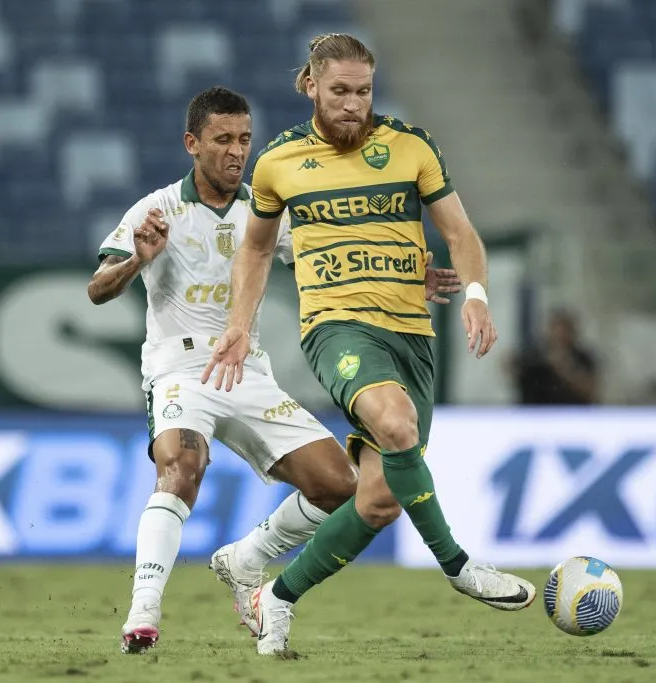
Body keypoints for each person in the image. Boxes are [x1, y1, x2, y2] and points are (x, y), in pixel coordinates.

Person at [87, 86, 462, 654]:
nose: (237, 151)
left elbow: (334, 262)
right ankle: (143, 612)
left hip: (247, 371)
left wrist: (410, 281)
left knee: (343, 487)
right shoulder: (157, 209)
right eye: (222, 140)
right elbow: (97, 290)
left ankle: (247, 559)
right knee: (181, 468)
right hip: (181, 370)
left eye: (244, 139)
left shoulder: (266, 211)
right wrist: (139, 259)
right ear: (192, 144)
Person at [202, 34, 536, 655]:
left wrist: (477, 296)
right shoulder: (277, 163)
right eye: (340, 92)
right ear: (311, 87)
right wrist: (240, 325)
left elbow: (460, 233)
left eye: (363, 91)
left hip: (412, 334)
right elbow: (253, 249)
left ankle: (277, 596)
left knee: (379, 499)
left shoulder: (411, 146)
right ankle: (459, 566)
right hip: (336, 328)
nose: (353, 104)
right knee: (395, 420)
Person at [512, 309, 600, 404]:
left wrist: (566, 369)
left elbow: (591, 391)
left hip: (572, 413)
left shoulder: (582, 357)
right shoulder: (535, 355)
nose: (560, 335)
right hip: (536, 413)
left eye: (564, 332)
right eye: (556, 331)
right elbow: (515, 373)